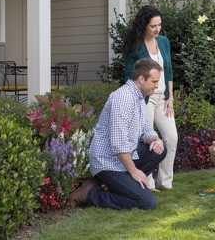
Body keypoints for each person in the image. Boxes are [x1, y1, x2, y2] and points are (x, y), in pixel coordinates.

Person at [69, 58, 167, 210]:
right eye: (154, 81)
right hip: (107, 162)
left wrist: (155, 139)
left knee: (159, 150)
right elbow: (118, 144)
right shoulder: (123, 98)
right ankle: (90, 194)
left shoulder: (139, 97)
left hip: (125, 157)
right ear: (141, 79)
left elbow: (146, 130)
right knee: (147, 203)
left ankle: (115, 183)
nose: (157, 85)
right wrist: (134, 172)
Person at [122, 4, 178, 191]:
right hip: (143, 99)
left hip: (162, 98)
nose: (157, 29)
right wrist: (134, 100)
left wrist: (170, 97)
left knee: (171, 137)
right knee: (147, 140)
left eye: (159, 25)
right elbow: (129, 76)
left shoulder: (164, 42)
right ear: (144, 25)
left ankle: (166, 181)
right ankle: (148, 182)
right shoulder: (136, 46)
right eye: (153, 26)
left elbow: (168, 71)